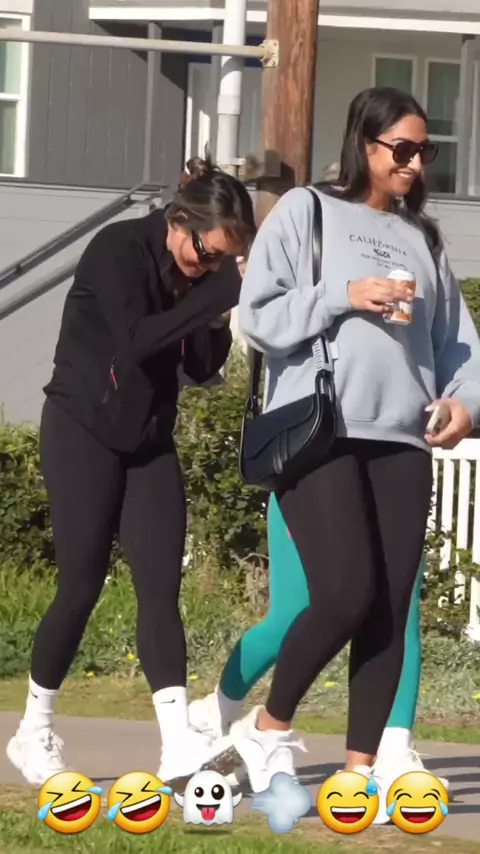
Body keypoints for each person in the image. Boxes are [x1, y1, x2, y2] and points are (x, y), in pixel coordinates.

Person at [225, 87, 480, 799]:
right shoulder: (305, 210)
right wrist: (345, 293)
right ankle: (268, 727)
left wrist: (464, 405)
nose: (414, 163)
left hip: (403, 439)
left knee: (390, 609)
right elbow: (260, 316)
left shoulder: (425, 240)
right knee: (344, 592)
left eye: (424, 150)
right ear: (364, 144)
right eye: (402, 148)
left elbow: (459, 347)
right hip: (321, 430)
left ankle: (357, 774)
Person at [6, 156, 256, 788]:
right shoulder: (117, 248)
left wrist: (216, 316)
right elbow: (137, 341)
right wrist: (215, 296)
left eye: (224, 260)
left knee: (159, 586)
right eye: (206, 252)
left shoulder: (201, 277)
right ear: (177, 222)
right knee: (81, 584)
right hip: (81, 429)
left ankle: (176, 744)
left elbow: (201, 366)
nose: (209, 266)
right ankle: (34, 730)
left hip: (148, 439)